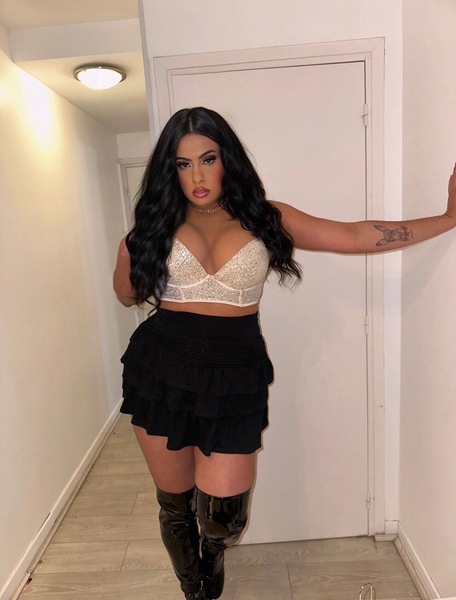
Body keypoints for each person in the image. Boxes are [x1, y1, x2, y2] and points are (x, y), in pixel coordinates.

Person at [114, 107, 456, 600]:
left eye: (208, 159)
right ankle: (196, 590)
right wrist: (130, 252)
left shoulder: (263, 216)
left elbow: (354, 235)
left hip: (235, 377)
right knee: (174, 504)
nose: (197, 177)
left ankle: (213, 554)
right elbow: (127, 295)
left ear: (227, 159)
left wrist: (448, 218)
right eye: (183, 164)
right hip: (161, 370)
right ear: (170, 170)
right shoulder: (154, 227)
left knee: (225, 517)